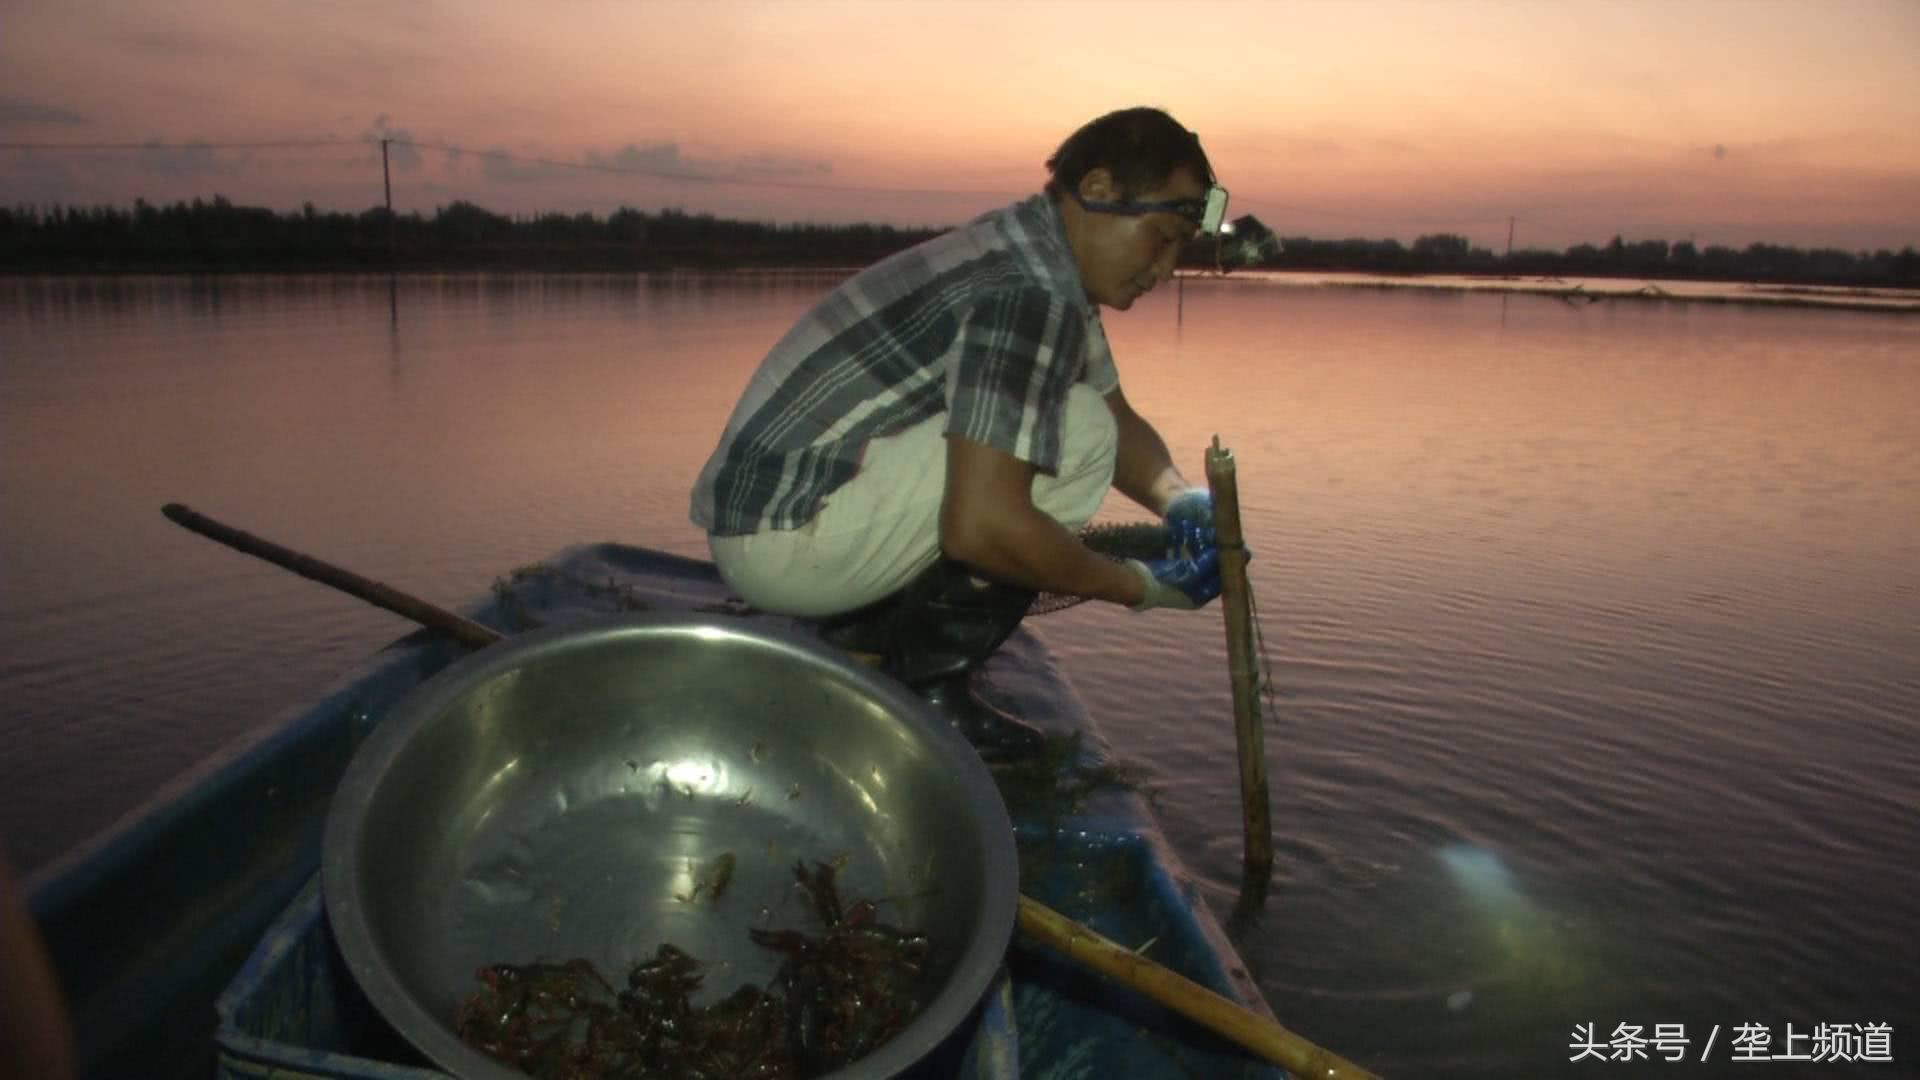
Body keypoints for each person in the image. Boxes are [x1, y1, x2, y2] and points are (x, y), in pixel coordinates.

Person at [690, 106, 1228, 761]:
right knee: (1071, 436)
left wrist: (1179, 498)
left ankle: (865, 629)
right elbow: (982, 527)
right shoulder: (1027, 294)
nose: (1168, 270)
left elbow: (1118, 414)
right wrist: (1142, 587)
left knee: (1078, 421)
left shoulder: (1028, 250)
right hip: (786, 541)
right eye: (1164, 237)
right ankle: (926, 687)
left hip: (779, 516)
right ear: (1099, 192)